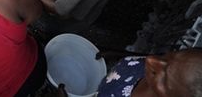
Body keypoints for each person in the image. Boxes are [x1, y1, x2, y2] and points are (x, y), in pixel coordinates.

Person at [56, 48, 202, 97]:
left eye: (163, 76)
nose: (151, 60)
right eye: (169, 55)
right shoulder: (152, 66)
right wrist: (120, 54)